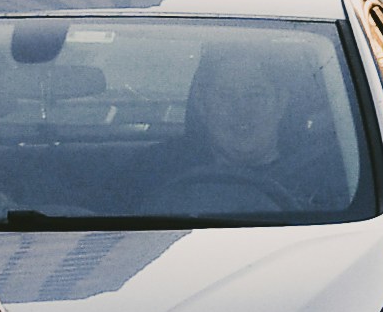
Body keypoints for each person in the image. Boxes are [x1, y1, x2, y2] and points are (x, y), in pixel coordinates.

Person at [143, 36, 358, 219]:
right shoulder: (156, 171)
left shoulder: (333, 178)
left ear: (281, 101)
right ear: (201, 103)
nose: (241, 109)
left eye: (255, 94)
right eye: (225, 96)